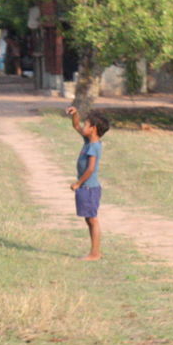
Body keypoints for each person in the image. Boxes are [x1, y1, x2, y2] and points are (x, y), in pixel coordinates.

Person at [65, 106, 110, 260]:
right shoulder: (88, 140)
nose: (82, 126)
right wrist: (76, 113)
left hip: (89, 188)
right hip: (87, 187)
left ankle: (95, 253)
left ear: (93, 129)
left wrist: (78, 183)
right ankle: (95, 251)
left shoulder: (94, 147)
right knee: (89, 219)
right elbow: (75, 125)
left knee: (92, 219)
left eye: (86, 124)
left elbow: (90, 169)